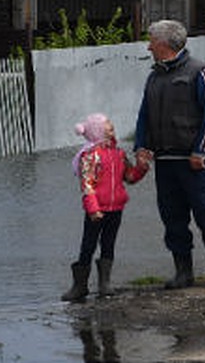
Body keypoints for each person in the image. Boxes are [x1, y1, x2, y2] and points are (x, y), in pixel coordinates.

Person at [134, 19, 205, 290]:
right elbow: (144, 114)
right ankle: (183, 272)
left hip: (195, 162)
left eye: (152, 41)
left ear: (165, 44)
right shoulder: (154, 75)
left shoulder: (199, 72)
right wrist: (141, 147)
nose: (148, 46)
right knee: (172, 219)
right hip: (165, 162)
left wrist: (201, 149)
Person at [61, 113, 147, 302]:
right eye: (106, 124)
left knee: (109, 244)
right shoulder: (90, 156)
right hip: (96, 210)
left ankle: (104, 284)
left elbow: (130, 177)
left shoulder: (119, 154)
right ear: (97, 131)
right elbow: (87, 184)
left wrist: (142, 167)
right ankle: (80, 286)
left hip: (116, 208)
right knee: (88, 246)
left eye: (110, 123)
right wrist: (92, 208)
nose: (110, 126)